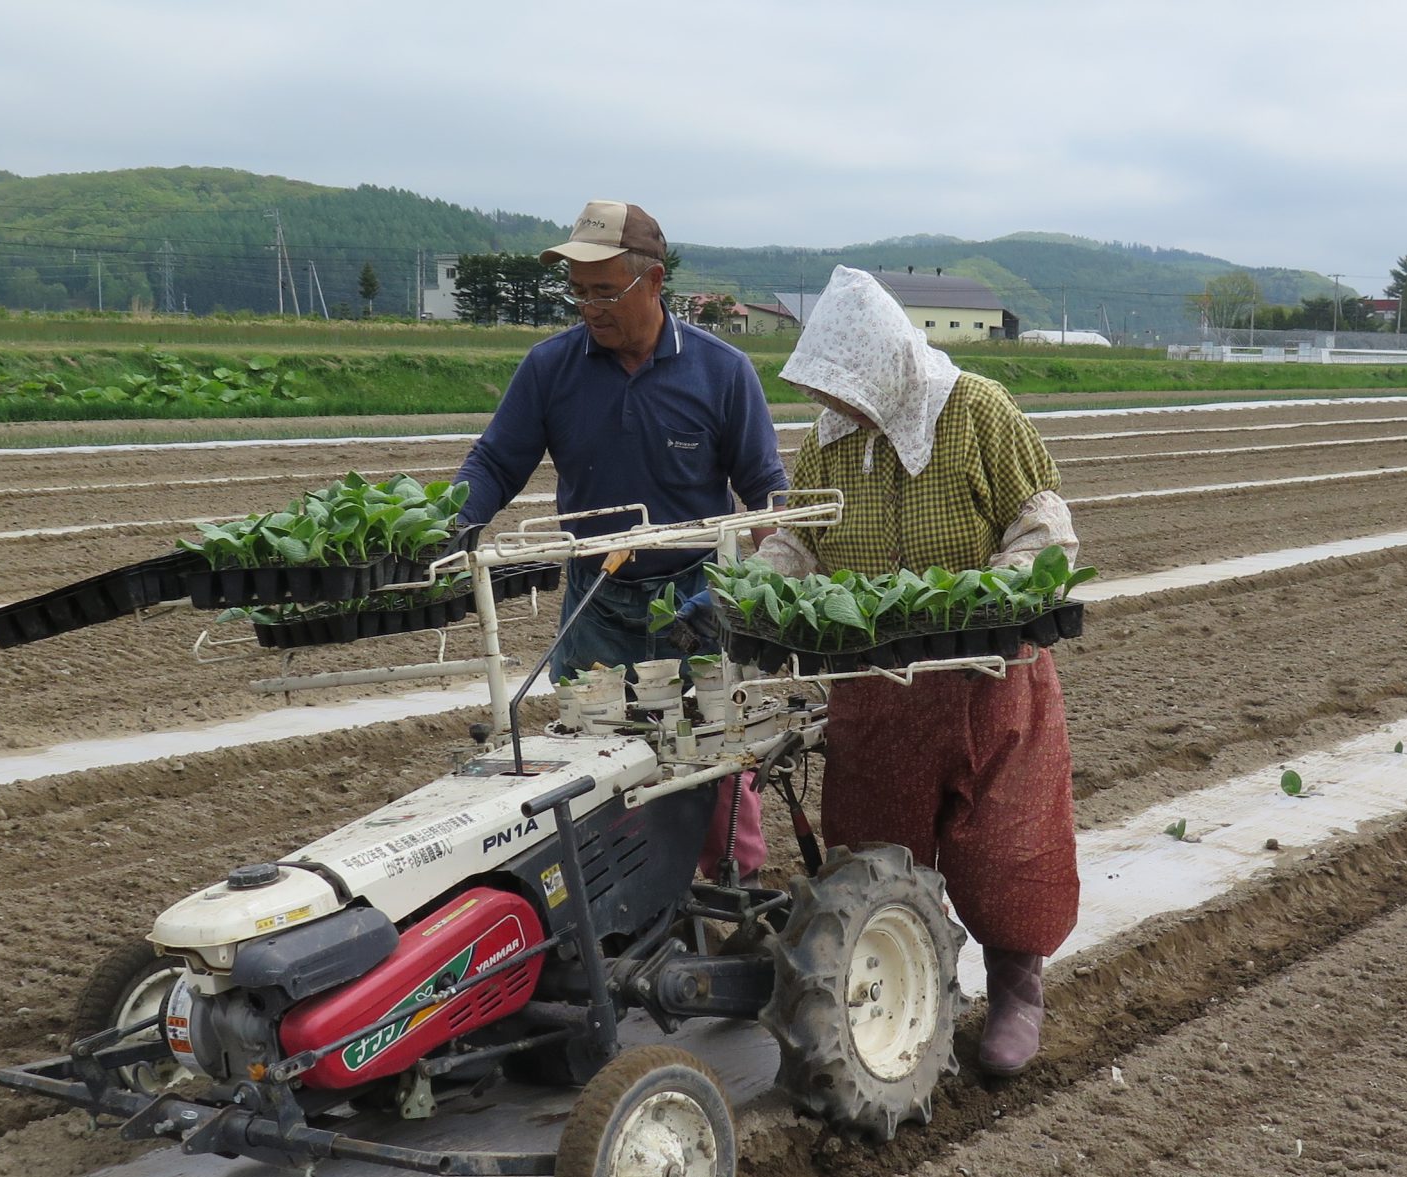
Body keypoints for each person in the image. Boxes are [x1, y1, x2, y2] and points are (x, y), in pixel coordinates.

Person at [712, 265, 1083, 1075]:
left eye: (847, 385)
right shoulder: (827, 444)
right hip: (876, 691)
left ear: (888, 365)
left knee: (1006, 847)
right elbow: (799, 544)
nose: (835, 402)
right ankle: (906, 996)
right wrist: (759, 588)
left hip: (990, 678)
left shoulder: (979, 412)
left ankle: (1018, 990)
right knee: (877, 851)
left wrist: (1005, 589)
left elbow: (1042, 522)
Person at [454, 200, 784, 875]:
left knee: (718, 768)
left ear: (655, 281)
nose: (589, 307)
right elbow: (494, 463)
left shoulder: (722, 372)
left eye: (605, 290)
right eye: (578, 292)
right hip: (595, 603)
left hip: (697, 601)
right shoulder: (551, 369)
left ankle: (736, 903)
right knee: (598, 773)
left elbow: (765, 492)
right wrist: (449, 525)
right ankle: (628, 920)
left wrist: (767, 587)